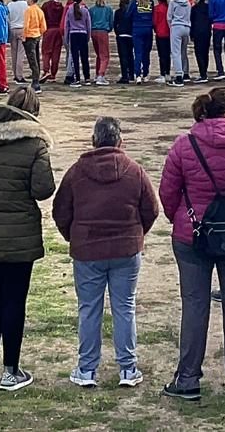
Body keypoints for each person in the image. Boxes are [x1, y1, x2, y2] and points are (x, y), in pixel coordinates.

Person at [159, 87, 225, 401]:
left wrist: (180, 217)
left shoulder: (185, 144)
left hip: (192, 234)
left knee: (194, 306)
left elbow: (168, 192)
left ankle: (188, 378)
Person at [53, 117, 159, 389]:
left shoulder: (77, 172)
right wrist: (136, 233)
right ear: (120, 142)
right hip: (126, 249)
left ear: (93, 141)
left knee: (89, 309)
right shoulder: (134, 171)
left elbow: (60, 210)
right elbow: (151, 209)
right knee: (125, 307)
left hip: (88, 250)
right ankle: (128, 368)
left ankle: (87, 369)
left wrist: (74, 237)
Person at [0, 88, 56, 392]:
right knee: (15, 301)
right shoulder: (35, 144)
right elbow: (43, 189)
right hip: (20, 235)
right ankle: (12, 370)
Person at [65, 0, 93, 88]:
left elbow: (67, 25)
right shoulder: (85, 10)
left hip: (73, 34)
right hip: (83, 34)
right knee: (85, 57)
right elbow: (88, 25)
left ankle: (77, 79)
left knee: (75, 58)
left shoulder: (69, 9)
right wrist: (88, 36)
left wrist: (66, 38)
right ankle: (87, 78)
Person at [168, 0, 193, 87]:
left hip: (176, 26)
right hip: (186, 26)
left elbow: (169, 17)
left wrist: (171, 27)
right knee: (183, 51)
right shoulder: (188, 2)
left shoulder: (173, 2)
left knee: (175, 52)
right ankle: (185, 72)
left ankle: (179, 76)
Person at [41, 0, 67, 83]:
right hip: (58, 31)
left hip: (48, 30)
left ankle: (46, 70)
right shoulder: (62, 7)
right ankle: (53, 73)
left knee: (46, 52)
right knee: (56, 52)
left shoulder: (46, 5)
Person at [130, 0, 154, 83]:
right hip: (148, 29)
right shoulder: (150, 2)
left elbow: (128, 14)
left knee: (138, 53)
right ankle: (146, 73)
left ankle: (138, 74)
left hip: (137, 29)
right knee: (146, 52)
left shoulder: (134, 2)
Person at [22, 0, 45, 91]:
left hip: (29, 36)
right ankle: (36, 77)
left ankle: (35, 81)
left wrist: (24, 36)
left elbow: (26, 25)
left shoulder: (29, 10)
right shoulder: (39, 10)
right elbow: (43, 26)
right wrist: (39, 33)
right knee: (36, 57)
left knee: (32, 59)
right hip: (37, 35)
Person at [90, 0, 115, 86]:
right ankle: (101, 75)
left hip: (93, 31)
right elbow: (111, 22)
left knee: (98, 54)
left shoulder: (91, 9)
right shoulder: (108, 9)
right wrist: (108, 29)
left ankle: (97, 73)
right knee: (105, 56)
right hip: (103, 31)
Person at [8, 0, 30, 84]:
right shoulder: (26, 5)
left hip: (12, 29)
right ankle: (19, 75)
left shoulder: (10, 5)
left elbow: (8, 18)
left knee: (14, 53)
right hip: (22, 29)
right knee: (21, 54)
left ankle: (15, 74)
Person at [113, 0, 136, 85]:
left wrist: (117, 33)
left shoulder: (118, 12)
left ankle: (124, 76)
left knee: (123, 57)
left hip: (121, 35)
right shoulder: (131, 12)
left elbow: (115, 24)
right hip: (130, 35)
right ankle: (131, 74)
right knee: (130, 55)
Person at [190, 0, 213, 84]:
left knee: (199, 53)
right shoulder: (208, 7)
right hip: (207, 32)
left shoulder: (194, 9)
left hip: (197, 33)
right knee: (205, 52)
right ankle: (204, 72)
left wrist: (191, 35)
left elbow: (192, 21)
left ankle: (202, 74)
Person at [154, 0, 172, 83]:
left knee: (161, 55)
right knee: (167, 54)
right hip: (169, 33)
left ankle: (162, 73)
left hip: (160, 33)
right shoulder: (169, 7)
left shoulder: (156, 8)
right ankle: (168, 73)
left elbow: (155, 21)